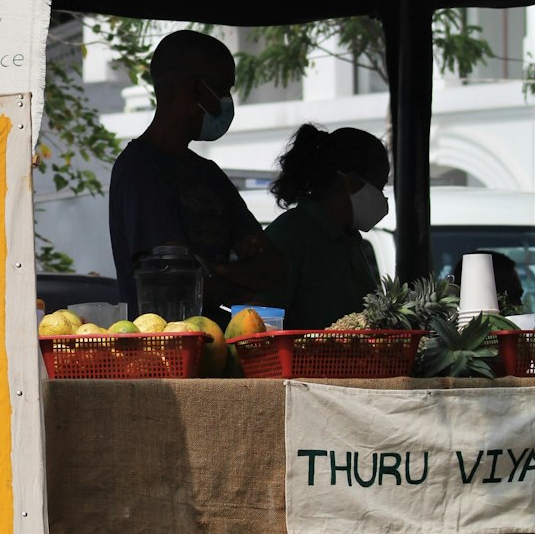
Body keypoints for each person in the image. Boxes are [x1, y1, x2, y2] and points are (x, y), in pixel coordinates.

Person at [108, 30, 283, 322]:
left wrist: (215, 269)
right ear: (196, 91)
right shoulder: (139, 171)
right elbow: (174, 280)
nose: (227, 101)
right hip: (166, 358)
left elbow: (276, 268)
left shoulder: (209, 174)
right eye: (224, 90)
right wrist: (235, 277)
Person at [265, 123, 390, 329]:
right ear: (350, 182)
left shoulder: (351, 241)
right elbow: (258, 323)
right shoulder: (289, 235)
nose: (382, 198)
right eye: (380, 186)